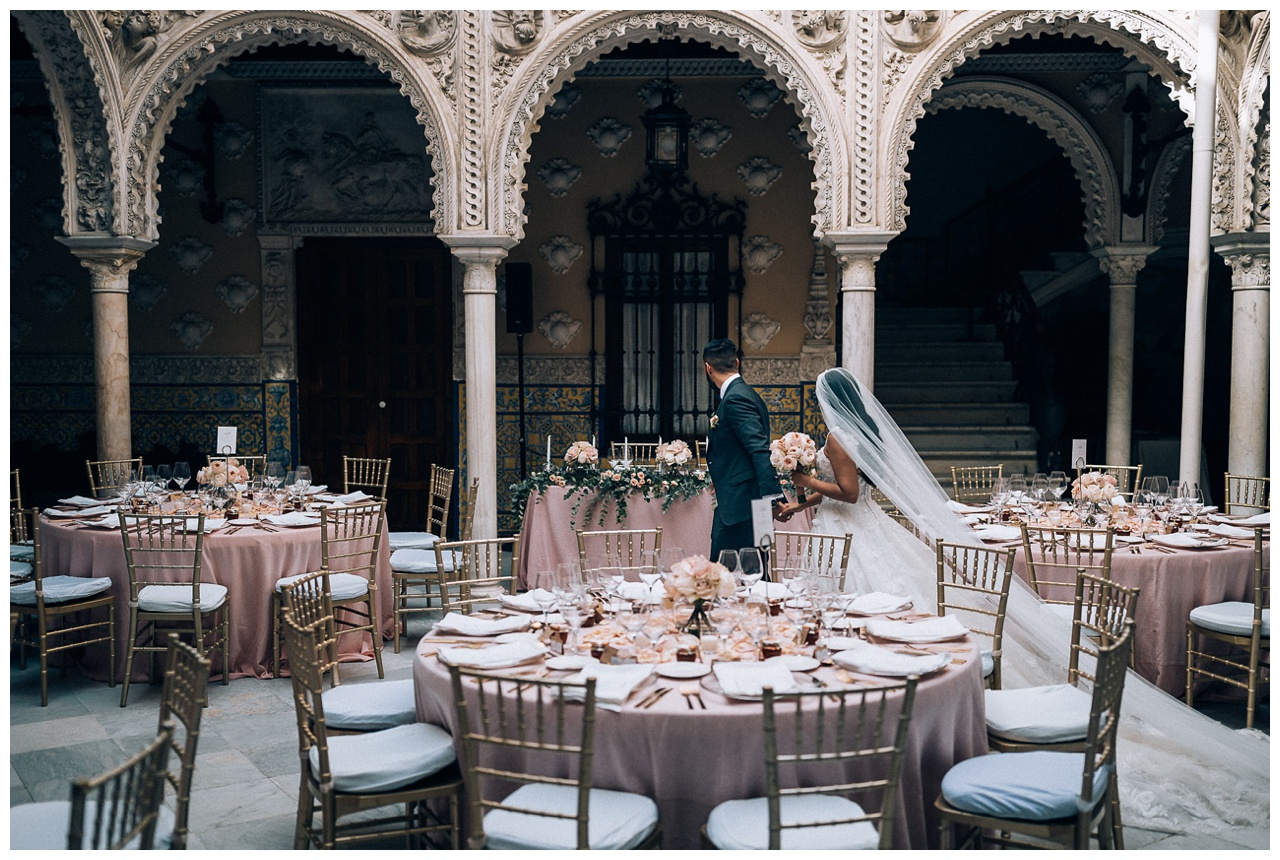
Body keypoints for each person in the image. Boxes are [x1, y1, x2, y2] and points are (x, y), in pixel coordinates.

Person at [776, 366, 1268, 839]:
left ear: (828, 403)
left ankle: (873, 707)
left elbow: (849, 490)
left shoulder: (839, 439)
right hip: (849, 529)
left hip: (856, 539)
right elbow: (849, 497)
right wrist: (802, 503)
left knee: (861, 616)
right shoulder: (854, 435)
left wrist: (804, 482)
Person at [702, 339, 782, 561]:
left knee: (718, 579)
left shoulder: (736, 398)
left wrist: (773, 499)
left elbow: (758, 449)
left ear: (707, 368)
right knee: (757, 579)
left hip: (742, 508)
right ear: (736, 363)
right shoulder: (746, 393)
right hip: (751, 505)